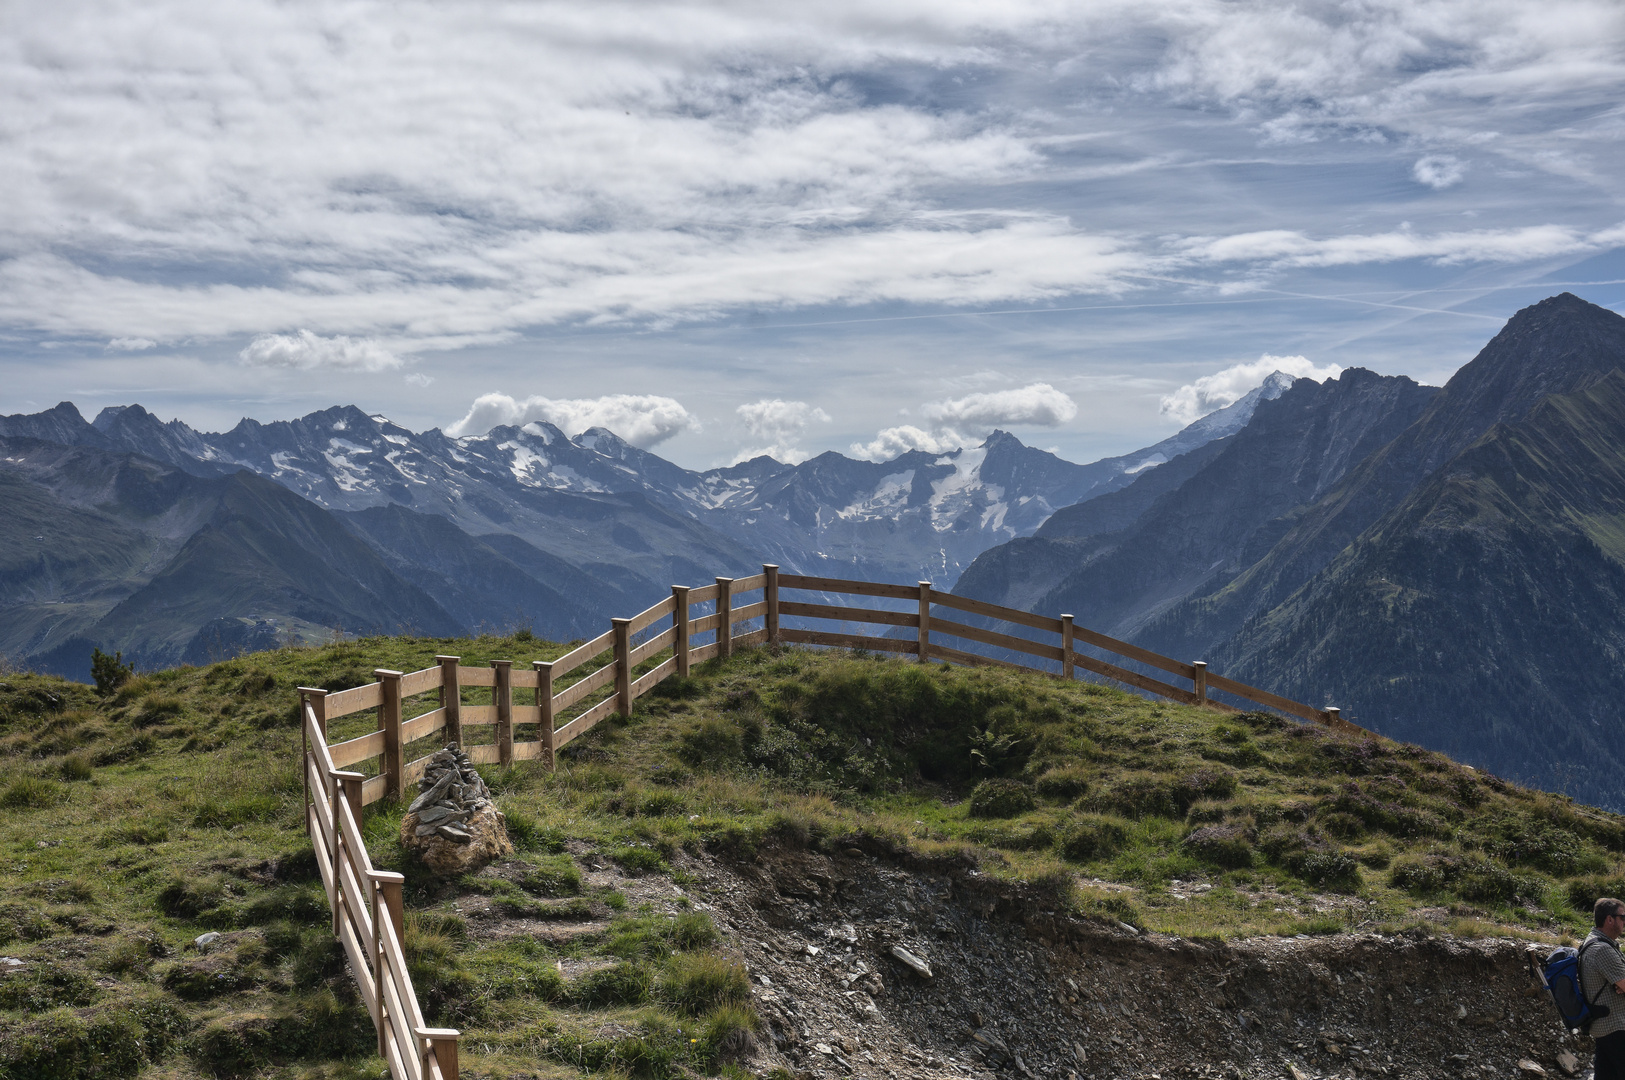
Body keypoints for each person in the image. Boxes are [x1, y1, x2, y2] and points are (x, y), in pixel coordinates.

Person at [1583, 898, 1625, 1080]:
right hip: (1615, 1026)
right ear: (1610, 919)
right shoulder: (1602, 949)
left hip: (1605, 1026)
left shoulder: (1595, 942)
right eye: (1623, 917)